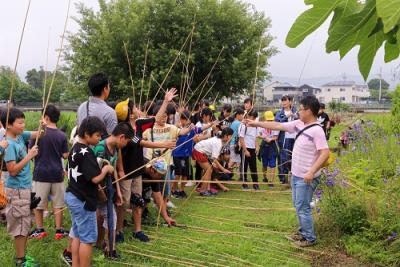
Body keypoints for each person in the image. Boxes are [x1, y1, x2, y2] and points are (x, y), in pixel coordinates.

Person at [245, 96, 329, 247]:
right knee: (298, 205)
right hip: (297, 175)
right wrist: (255, 123)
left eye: (301, 109)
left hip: (307, 177)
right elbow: (278, 126)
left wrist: (311, 172)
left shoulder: (317, 131)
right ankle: (303, 232)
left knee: (302, 207)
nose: (299, 112)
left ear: (309, 111)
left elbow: (325, 153)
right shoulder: (299, 124)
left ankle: (309, 238)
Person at [115, 89, 177, 243]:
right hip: (127, 172)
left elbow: (155, 118)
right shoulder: (123, 129)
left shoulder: (141, 124)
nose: (138, 109)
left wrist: (165, 101)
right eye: (135, 107)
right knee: (124, 202)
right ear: (130, 114)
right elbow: (140, 143)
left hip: (138, 169)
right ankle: (119, 230)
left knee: (138, 200)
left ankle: (138, 230)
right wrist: (163, 144)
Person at [65, 116, 114, 267]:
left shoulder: (75, 147)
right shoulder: (86, 152)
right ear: (87, 134)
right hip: (83, 200)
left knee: (77, 234)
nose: (100, 139)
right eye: (98, 135)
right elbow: (95, 179)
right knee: (87, 239)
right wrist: (106, 169)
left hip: (72, 195)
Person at [2, 108, 42, 267]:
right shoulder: (9, 144)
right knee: (19, 226)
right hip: (16, 189)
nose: (23, 125)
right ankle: (20, 261)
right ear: (8, 125)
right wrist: (29, 156)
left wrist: (42, 126)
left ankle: (23, 256)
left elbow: (39, 134)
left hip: (25, 187)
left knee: (26, 223)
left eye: (23, 121)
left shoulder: (19, 136)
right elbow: (12, 171)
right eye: (19, 122)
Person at [92, 122, 134, 259]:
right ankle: (110, 250)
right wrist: (101, 193)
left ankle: (104, 244)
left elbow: (113, 168)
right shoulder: (100, 148)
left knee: (110, 217)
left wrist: (119, 192)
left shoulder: (115, 148)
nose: (126, 144)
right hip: (98, 190)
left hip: (109, 189)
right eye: (127, 141)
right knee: (111, 218)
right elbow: (94, 174)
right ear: (122, 137)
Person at [29, 105, 69, 240]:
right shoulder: (62, 135)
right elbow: (64, 155)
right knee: (58, 203)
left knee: (38, 204)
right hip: (57, 173)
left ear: (45, 117)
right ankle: (59, 230)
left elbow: (32, 152)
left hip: (41, 173)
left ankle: (40, 229)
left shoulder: (38, 133)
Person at [171, 110, 214, 198]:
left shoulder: (193, 129)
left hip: (186, 155)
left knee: (185, 174)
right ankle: (173, 190)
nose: (187, 122)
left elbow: (201, 128)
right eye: (185, 120)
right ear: (181, 120)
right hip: (176, 154)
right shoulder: (178, 130)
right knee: (178, 174)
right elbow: (175, 132)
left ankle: (181, 190)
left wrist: (210, 125)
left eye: (188, 120)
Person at [192, 128, 233, 196]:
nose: (231, 138)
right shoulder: (218, 143)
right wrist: (223, 169)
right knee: (209, 170)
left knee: (208, 170)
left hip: (200, 151)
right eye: (230, 136)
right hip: (199, 151)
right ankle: (203, 191)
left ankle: (204, 189)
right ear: (226, 136)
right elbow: (214, 158)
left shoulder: (220, 138)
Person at [275, 95, 298, 184]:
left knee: (294, 156)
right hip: (283, 138)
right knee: (283, 157)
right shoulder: (279, 113)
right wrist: (286, 117)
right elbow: (277, 123)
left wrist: (294, 115)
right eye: (282, 101)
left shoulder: (296, 111)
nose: (283, 103)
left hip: (294, 137)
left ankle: (293, 176)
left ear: (290, 102)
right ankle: (282, 177)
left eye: (285, 101)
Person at [239, 110, 259, 190]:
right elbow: (241, 138)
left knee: (253, 166)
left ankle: (255, 183)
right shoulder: (243, 125)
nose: (253, 120)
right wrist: (245, 150)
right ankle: (244, 183)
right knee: (244, 166)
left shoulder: (256, 126)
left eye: (254, 118)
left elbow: (256, 137)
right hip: (245, 148)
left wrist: (257, 147)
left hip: (252, 148)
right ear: (248, 116)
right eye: (252, 117)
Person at [258, 111, 279, 185]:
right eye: (268, 120)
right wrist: (263, 137)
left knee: (272, 164)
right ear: (265, 119)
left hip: (272, 146)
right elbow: (258, 135)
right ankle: (265, 177)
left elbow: (276, 137)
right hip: (264, 146)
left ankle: (271, 181)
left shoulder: (276, 126)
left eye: (271, 120)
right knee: (264, 164)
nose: (270, 121)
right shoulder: (261, 125)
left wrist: (270, 139)